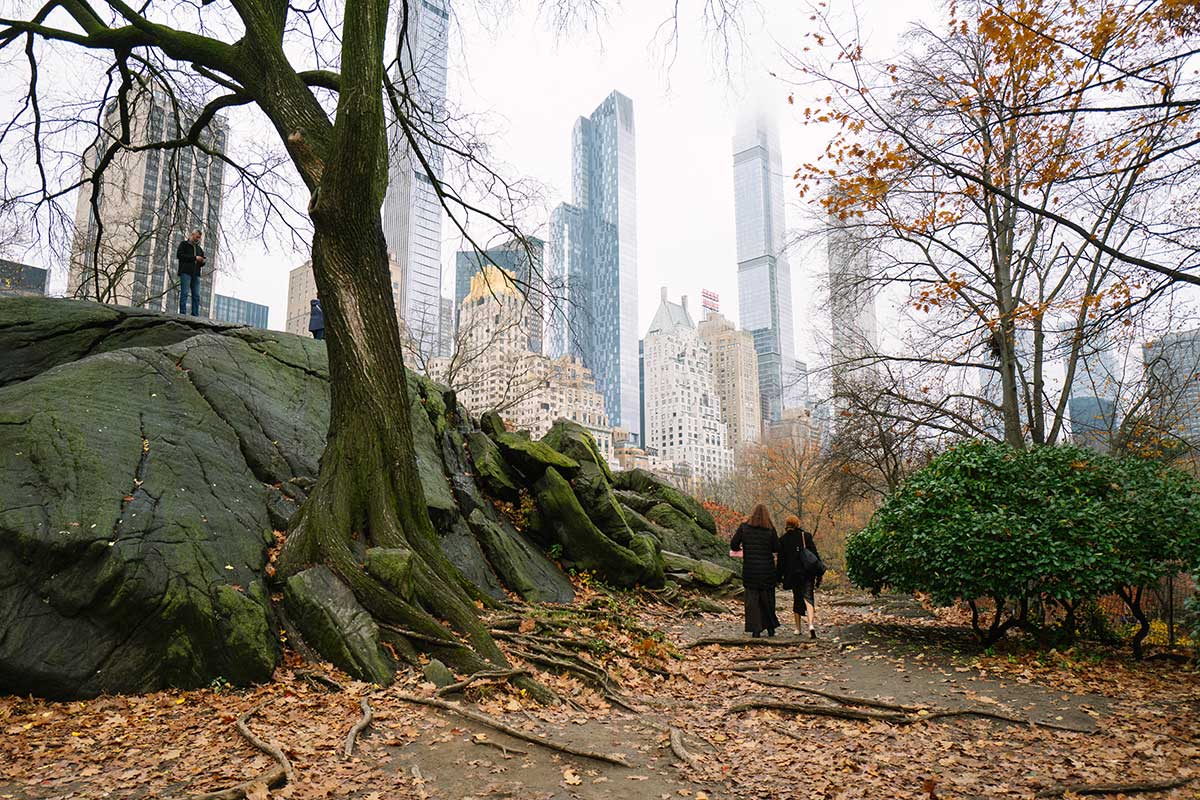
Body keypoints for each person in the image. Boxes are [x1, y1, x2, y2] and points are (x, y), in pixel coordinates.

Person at [730, 504, 780, 638]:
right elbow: (776, 548)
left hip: (750, 570)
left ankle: (755, 629)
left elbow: (733, 544)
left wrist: (744, 547)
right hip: (767, 570)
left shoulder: (744, 528)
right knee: (768, 599)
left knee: (752, 601)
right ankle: (770, 628)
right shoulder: (770, 530)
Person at [777, 515, 823, 638]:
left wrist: (778, 577)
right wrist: (819, 572)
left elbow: (781, 562)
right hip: (808, 573)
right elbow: (814, 554)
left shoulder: (782, 540)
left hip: (793, 575)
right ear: (798, 524)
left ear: (787, 525)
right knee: (808, 597)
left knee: (797, 599)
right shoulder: (805, 536)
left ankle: (798, 629)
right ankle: (811, 625)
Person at [175, 230, 205, 316]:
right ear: (192, 235)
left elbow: (201, 262)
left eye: (199, 238)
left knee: (196, 295)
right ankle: (182, 313)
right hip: (185, 272)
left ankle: (195, 314)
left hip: (196, 274)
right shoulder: (184, 244)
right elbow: (179, 255)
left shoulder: (199, 249)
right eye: (196, 237)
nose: (197, 239)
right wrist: (194, 258)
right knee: (184, 293)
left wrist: (202, 261)